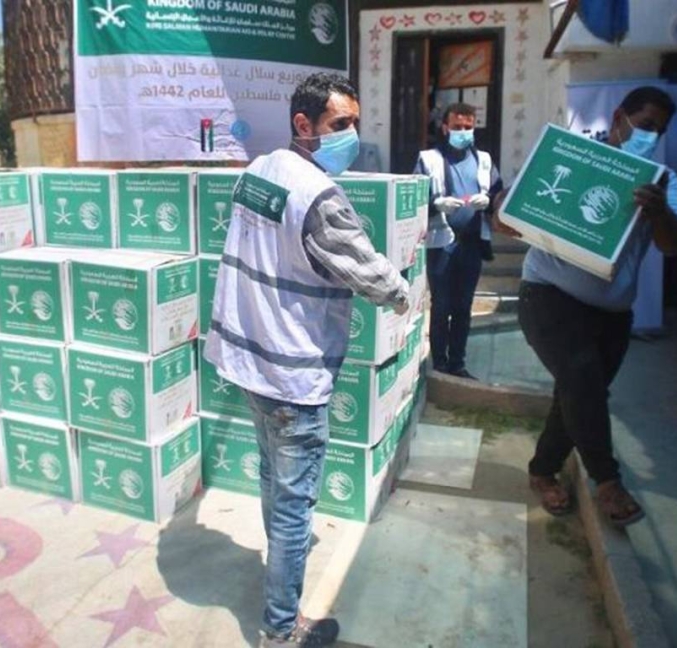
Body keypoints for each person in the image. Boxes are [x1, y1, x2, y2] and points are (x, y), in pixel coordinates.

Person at [203, 73, 409, 647]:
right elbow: (370, 275)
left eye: (354, 123)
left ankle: (279, 576)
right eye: (340, 124)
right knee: (295, 507)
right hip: (292, 376)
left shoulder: (258, 172)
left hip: (250, 362)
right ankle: (280, 629)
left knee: (274, 478)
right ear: (303, 124)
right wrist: (406, 291)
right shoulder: (318, 196)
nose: (352, 135)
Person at [502, 86, 677, 528]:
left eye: (659, 131)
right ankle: (607, 481)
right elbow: (508, 219)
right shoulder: (573, 157)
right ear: (620, 117)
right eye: (645, 125)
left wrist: (659, 213)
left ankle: (543, 470)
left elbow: (676, 245)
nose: (651, 136)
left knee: (577, 391)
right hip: (548, 294)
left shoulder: (662, 181)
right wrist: (507, 207)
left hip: (612, 315)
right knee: (582, 379)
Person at [414, 103, 503, 379]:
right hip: (441, 243)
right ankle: (439, 364)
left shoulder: (484, 160)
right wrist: (435, 203)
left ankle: (458, 364)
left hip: (472, 243)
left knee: (464, 307)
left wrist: (488, 200)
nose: (463, 132)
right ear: (445, 128)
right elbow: (413, 197)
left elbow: (499, 196)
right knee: (441, 305)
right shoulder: (428, 159)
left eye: (468, 127)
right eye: (457, 127)